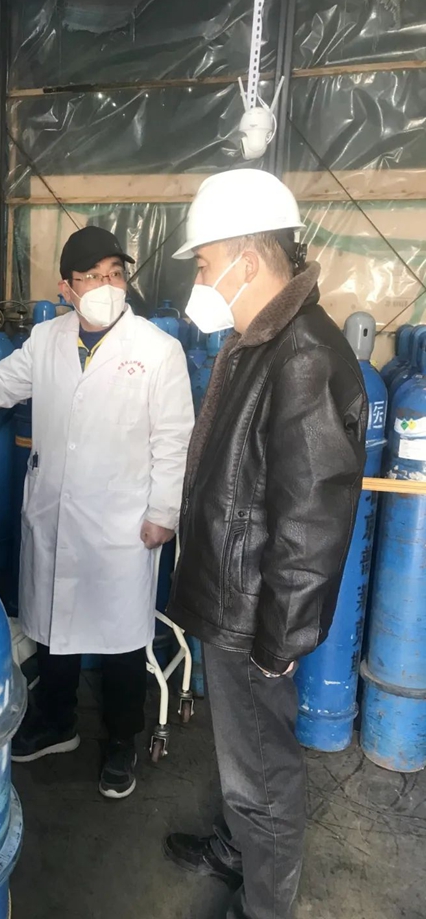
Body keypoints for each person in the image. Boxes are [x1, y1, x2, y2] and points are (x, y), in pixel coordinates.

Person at [0, 225, 194, 799]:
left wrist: (164, 511)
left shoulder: (158, 350)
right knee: (56, 629)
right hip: (55, 510)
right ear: (66, 287)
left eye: (116, 274)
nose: (107, 286)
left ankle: (121, 741)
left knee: (120, 639)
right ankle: (58, 722)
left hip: (122, 523)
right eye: (92, 277)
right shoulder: (47, 339)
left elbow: (174, 439)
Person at [163, 170, 367, 918]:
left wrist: (279, 639)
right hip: (234, 597)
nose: (200, 279)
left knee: (263, 774)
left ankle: (265, 905)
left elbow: (312, 520)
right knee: (241, 756)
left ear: (247, 261)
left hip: (256, 618)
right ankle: (237, 848)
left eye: (205, 263)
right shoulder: (260, 343)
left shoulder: (305, 354)